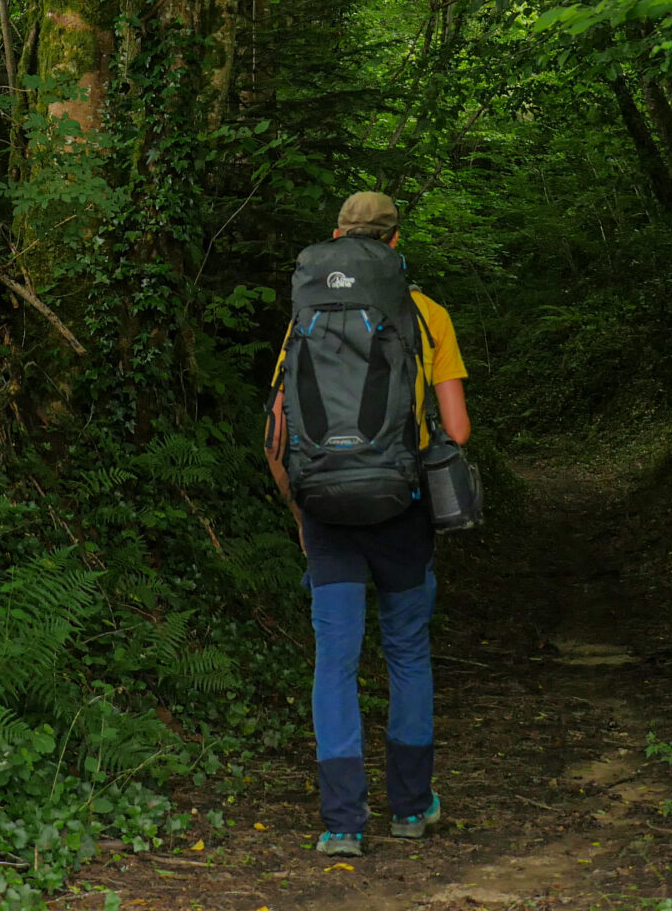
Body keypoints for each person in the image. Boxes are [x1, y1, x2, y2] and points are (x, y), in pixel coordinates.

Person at [264, 190, 472, 858]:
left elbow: (276, 433)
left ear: (335, 235)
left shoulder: (307, 314)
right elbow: (458, 430)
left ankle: (342, 824)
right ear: (394, 242)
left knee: (336, 662)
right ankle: (411, 810)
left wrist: (302, 512)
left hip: (325, 510)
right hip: (401, 510)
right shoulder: (426, 313)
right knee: (407, 652)